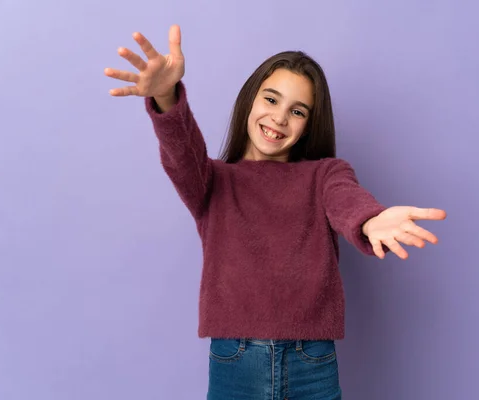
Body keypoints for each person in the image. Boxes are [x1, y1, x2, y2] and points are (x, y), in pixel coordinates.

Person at [104, 25, 446, 400]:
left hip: (312, 360)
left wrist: (370, 219)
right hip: (235, 359)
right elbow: (182, 153)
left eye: (296, 110)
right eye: (271, 99)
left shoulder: (325, 173)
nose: (280, 118)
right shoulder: (211, 180)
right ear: (250, 100)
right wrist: (166, 97)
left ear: (308, 124)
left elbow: (345, 198)